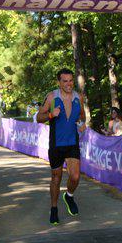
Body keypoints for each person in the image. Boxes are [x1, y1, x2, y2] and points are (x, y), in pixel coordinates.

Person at [37, 68, 86, 225]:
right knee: (56, 177)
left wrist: (82, 123)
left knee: (75, 176)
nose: (68, 84)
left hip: (72, 142)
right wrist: (51, 115)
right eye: (65, 81)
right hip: (56, 144)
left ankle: (69, 196)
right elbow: (38, 117)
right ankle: (54, 208)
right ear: (59, 82)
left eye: (71, 81)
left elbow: (82, 116)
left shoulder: (78, 97)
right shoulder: (52, 97)